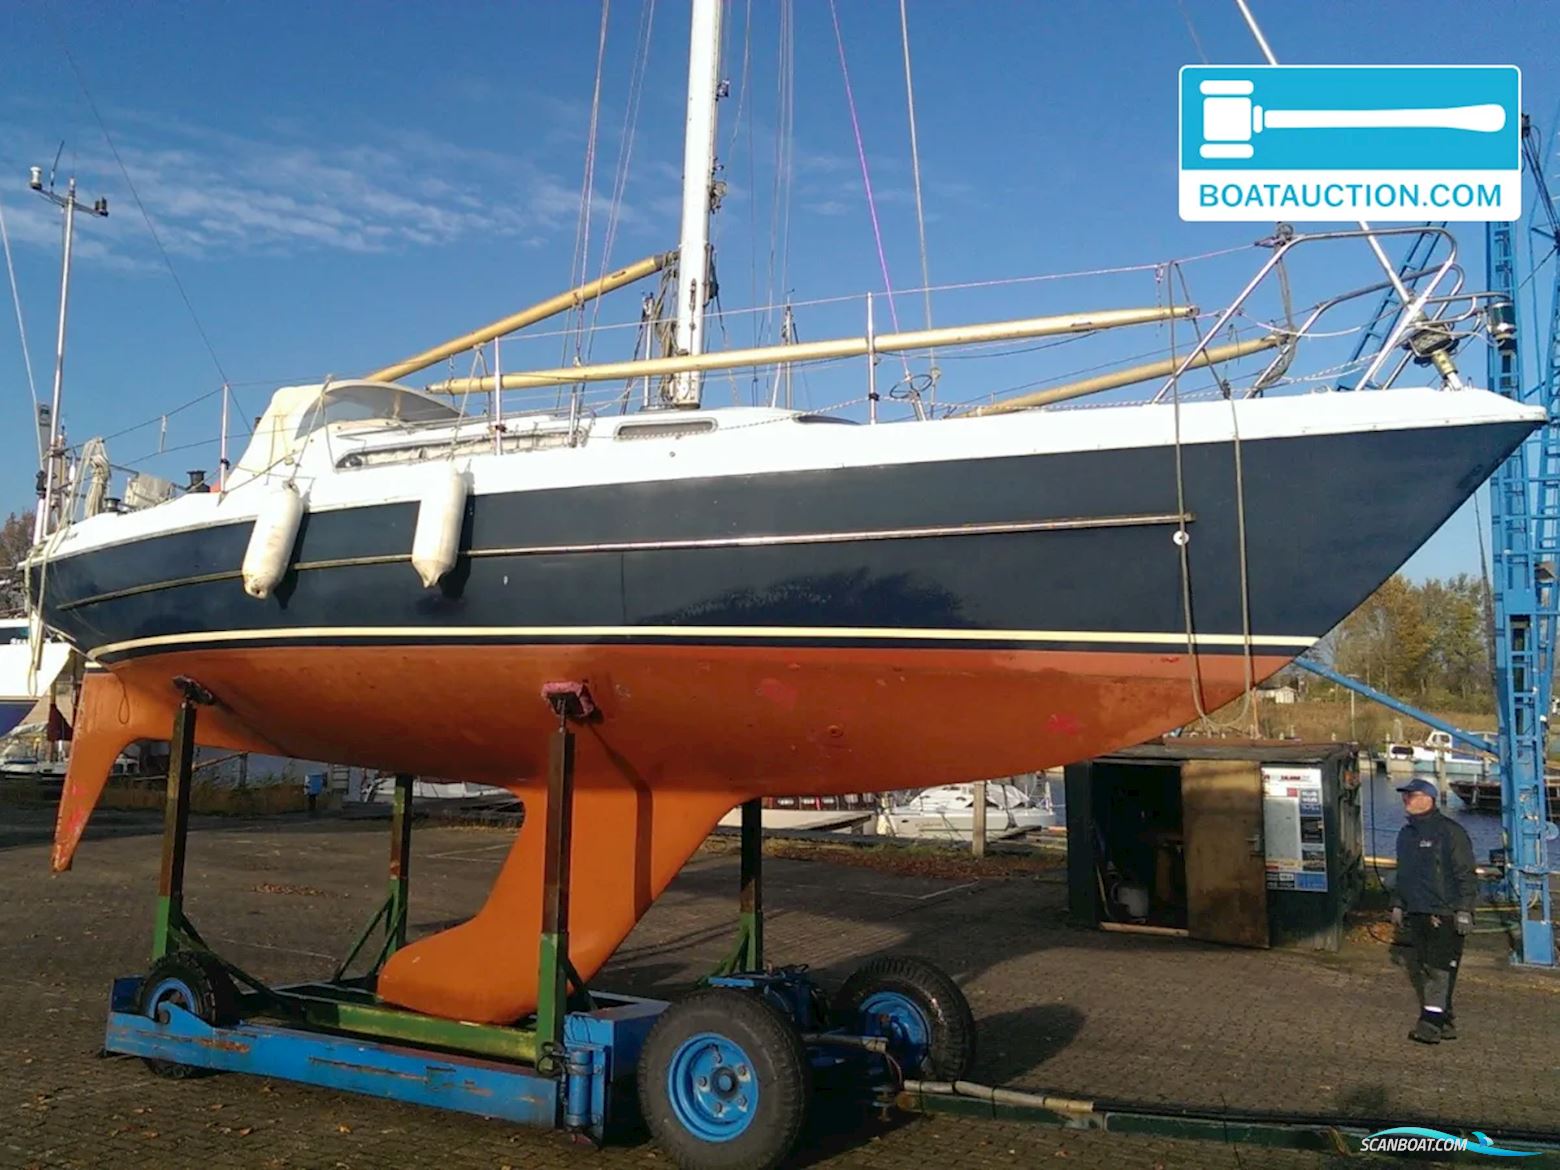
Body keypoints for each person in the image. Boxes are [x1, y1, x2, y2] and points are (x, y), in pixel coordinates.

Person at [1390, 778, 1477, 1044]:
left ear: (1428, 798)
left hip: (1445, 912)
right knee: (1426, 966)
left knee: (1438, 969)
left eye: (1411, 796)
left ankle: (1430, 1025)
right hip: (1416, 910)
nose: (1406, 801)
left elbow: (1466, 873)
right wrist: (1397, 902)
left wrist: (1464, 909)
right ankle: (1446, 1020)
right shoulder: (1406, 835)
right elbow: (1402, 873)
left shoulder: (1450, 832)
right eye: (1404, 797)